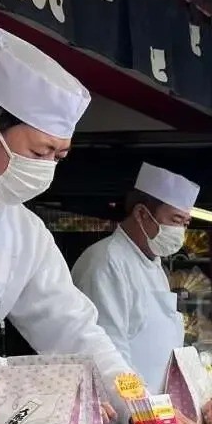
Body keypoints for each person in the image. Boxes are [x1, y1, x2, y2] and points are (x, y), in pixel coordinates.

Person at [0, 27, 133, 418]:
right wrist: (42, 387)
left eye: (58, 157)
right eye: (39, 152)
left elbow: (74, 329)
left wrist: (139, 403)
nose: (46, 170)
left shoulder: (25, 233)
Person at [72, 163, 197, 396]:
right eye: (175, 220)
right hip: (122, 409)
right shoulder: (106, 261)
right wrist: (138, 405)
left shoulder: (153, 264)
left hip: (156, 406)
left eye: (185, 223)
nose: (181, 231)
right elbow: (109, 348)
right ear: (141, 214)